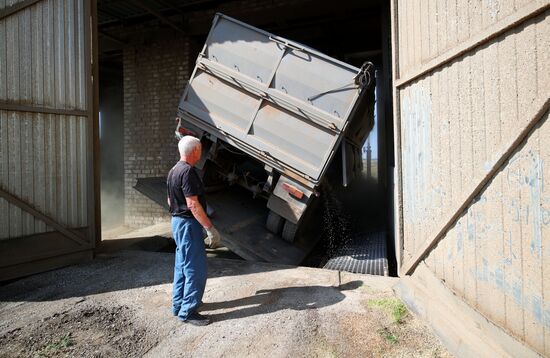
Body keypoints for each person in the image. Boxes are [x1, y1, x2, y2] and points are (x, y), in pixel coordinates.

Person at [167, 135, 221, 326]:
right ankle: (188, 311)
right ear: (195, 151)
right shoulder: (188, 172)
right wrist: (209, 228)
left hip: (177, 222)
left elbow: (170, 200)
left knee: (181, 266)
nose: (201, 152)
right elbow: (192, 204)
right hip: (188, 225)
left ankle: (178, 305)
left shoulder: (173, 170)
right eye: (200, 149)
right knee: (195, 269)